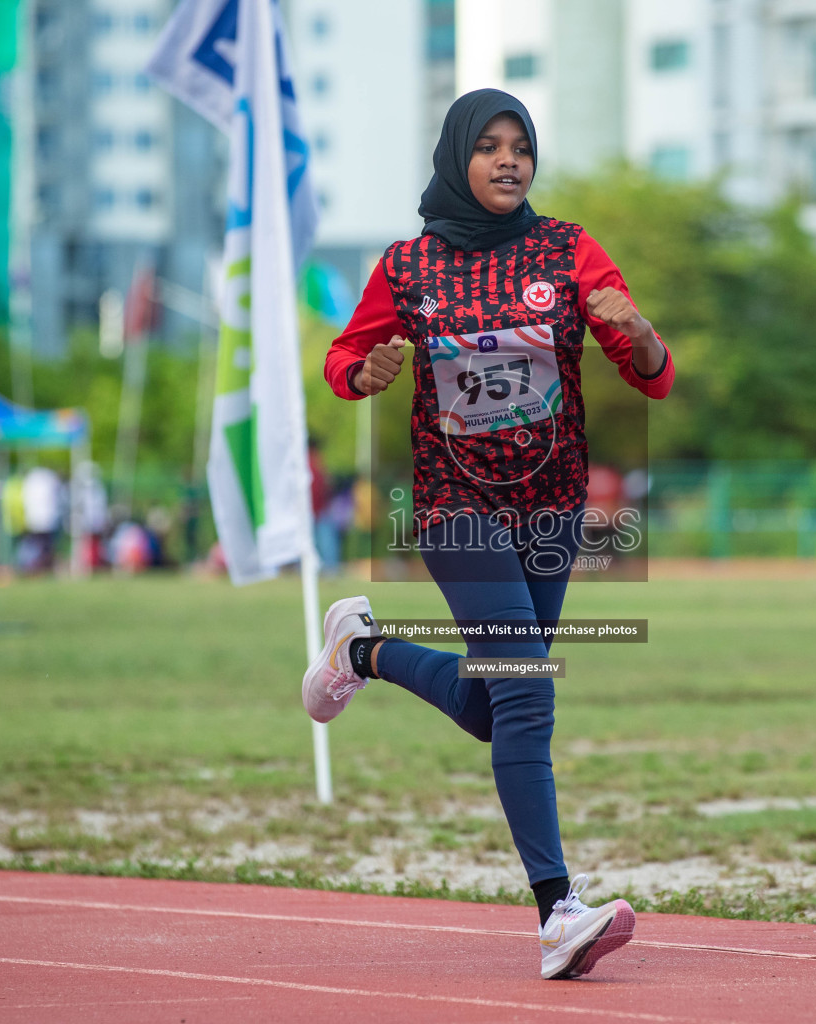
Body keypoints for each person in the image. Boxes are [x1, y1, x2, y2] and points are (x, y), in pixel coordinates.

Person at [304, 90, 673, 981]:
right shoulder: (409, 266)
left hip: (550, 511)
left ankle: (364, 652)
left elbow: (654, 379)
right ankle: (558, 914)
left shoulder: (569, 250)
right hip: (456, 507)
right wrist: (367, 369)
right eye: (490, 147)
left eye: (522, 147)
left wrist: (638, 332)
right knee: (528, 697)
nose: (509, 161)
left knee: (492, 704)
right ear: (457, 158)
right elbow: (342, 362)